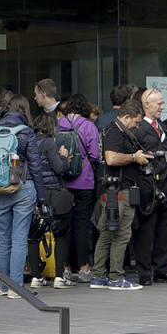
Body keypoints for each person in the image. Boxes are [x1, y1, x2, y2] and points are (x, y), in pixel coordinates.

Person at [0, 94, 45, 298]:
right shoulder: (26, 132)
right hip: (22, 188)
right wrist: (42, 197)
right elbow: (35, 165)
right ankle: (16, 288)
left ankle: (3, 285)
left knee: (3, 238)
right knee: (19, 239)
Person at [89, 99, 146, 291]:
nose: (137, 126)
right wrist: (134, 157)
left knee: (106, 233)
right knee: (121, 234)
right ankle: (116, 277)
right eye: (136, 122)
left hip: (112, 191)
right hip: (118, 191)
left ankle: (98, 276)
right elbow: (111, 158)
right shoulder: (115, 131)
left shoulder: (112, 130)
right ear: (127, 117)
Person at [131, 88, 167, 285]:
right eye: (158, 104)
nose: (163, 107)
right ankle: (144, 270)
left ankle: (162, 267)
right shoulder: (138, 128)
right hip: (149, 183)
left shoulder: (162, 126)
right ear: (146, 105)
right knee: (146, 228)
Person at [28, 112, 74, 289]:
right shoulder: (48, 143)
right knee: (60, 234)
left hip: (35, 193)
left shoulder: (31, 143)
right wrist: (64, 156)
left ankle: (35, 277)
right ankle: (58, 276)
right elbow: (59, 168)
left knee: (34, 235)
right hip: (53, 194)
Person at [59, 93, 101, 284]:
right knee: (82, 224)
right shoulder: (89, 126)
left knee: (64, 224)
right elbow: (94, 155)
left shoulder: (59, 124)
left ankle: (65, 267)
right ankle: (83, 267)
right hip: (84, 181)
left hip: (63, 181)